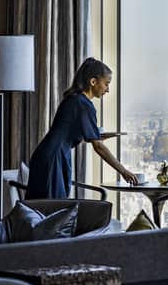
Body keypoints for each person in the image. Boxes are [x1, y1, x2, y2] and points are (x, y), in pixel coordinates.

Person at [26, 57, 138, 199]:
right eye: (106, 84)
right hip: (54, 159)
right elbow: (98, 146)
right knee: (52, 211)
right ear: (93, 82)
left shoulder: (75, 99)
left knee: (43, 212)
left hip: (49, 155)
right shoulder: (83, 104)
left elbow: (72, 132)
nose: (107, 89)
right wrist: (123, 171)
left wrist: (97, 136)